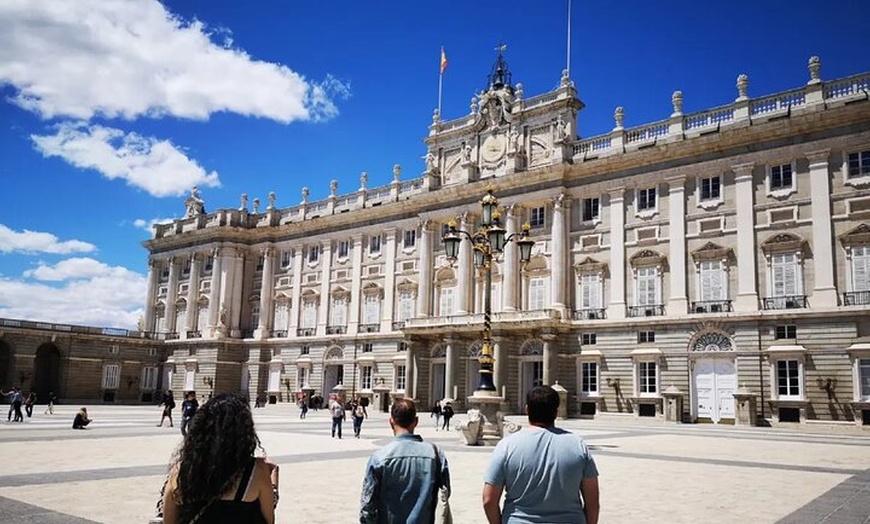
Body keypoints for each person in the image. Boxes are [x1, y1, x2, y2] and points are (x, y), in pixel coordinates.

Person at [482, 385, 600, 524]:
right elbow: (593, 503)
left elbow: (488, 500)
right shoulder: (578, 445)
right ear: (556, 412)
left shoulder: (506, 446)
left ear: (527, 410)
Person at [161, 394, 278, 524]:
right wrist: (274, 482)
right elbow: (269, 520)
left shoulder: (181, 471)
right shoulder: (256, 471)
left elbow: (168, 520)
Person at [360, 398, 450, 524]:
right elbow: (446, 493)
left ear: (391, 422)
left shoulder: (379, 458)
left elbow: (367, 505)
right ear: (416, 421)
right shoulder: (435, 454)